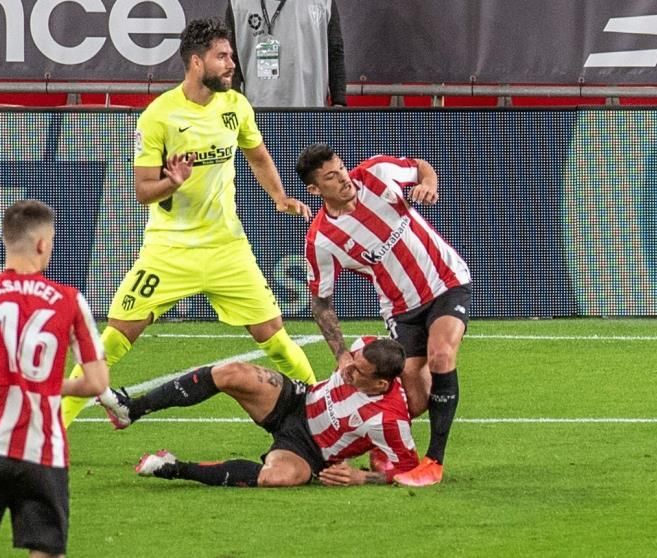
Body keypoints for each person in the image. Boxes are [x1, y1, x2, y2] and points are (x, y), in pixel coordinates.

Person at [61, 17, 316, 427]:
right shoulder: (158, 117)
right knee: (113, 338)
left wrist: (280, 198)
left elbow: (258, 155)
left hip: (226, 249)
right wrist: (171, 181)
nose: (231, 63)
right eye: (222, 56)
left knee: (276, 339)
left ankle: (322, 413)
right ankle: (53, 430)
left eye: (231, 55)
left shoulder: (236, 106)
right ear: (196, 62)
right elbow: (143, 191)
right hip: (169, 252)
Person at [0, 200, 109, 558]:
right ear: (43, 244)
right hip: (44, 456)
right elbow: (97, 383)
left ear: (5, 240)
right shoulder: (70, 301)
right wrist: (45, 387)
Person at [296, 144, 472, 487]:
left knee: (441, 354)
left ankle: (433, 462)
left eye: (342, 168)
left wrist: (429, 185)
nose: (344, 178)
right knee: (414, 400)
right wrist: (342, 353)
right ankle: (372, 455)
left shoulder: (376, 172)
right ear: (315, 190)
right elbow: (321, 302)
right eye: (331, 177)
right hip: (401, 309)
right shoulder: (321, 240)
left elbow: (421, 165)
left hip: (446, 281)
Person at [99, 337, 418, 487]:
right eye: (353, 359)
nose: (348, 370)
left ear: (379, 383)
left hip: (309, 451)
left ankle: (173, 467)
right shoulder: (364, 346)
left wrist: (362, 476)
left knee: (276, 478)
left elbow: (407, 469)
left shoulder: (388, 419)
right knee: (231, 372)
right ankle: (131, 409)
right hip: (297, 400)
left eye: (358, 371)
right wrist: (342, 351)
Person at [226, 0, 346, 107]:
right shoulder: (238, 4)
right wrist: (235, 106)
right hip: (255, 115)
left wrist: (339, 101)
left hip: (310, 111)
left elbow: (335, 53)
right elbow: (231, 58)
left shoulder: (324, 2)